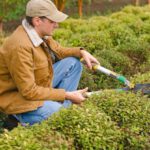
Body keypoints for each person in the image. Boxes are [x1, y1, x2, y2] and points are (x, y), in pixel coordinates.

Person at [0, 0, 99, 126]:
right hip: (20, 99)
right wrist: (66, 95)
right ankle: (19, 118)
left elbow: (59, 50)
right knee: (63, 115)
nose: (56, 25)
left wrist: (81, 52)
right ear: (37, 21)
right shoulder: (20, 46)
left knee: (73, 64)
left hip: (37, 85)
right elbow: (28, 91)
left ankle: (60, 108)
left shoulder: (39, 32)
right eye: (52, 21)